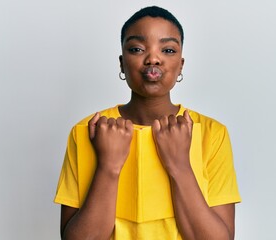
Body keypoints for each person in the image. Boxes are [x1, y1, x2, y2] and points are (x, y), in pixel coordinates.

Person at [54, 6, 241, 240]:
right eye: (137, 49)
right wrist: (108, 166)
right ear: (122, 63)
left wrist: (180, 165)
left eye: (168, 50)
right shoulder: (88, 130)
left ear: (181, 65)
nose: (153, 58)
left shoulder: (212, 133)